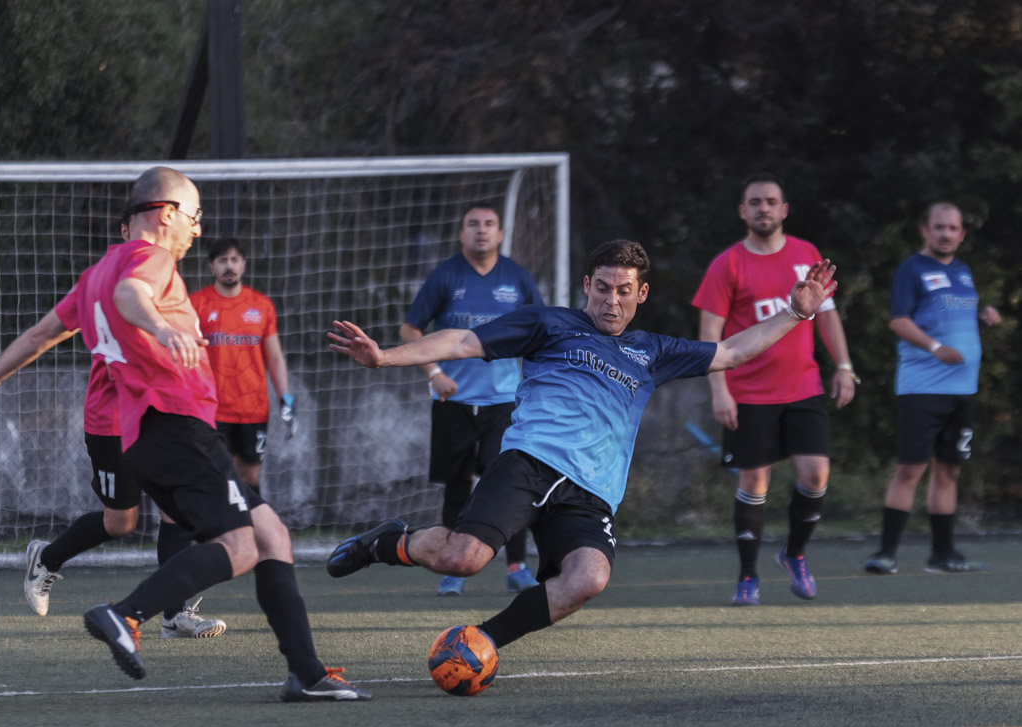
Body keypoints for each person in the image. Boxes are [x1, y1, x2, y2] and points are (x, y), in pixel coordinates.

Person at [326, 240, 835, 663]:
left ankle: (483, 642)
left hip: (591, 494)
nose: (612, 300)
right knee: (462, 560)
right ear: (587, 285)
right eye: (603, 288)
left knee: (589, 577)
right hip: (529, 465)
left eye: (624, 291)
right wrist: (384, 357)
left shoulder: (652, 351)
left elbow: (732, 352)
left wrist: (795, 312)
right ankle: (386, 543)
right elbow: (462, 341)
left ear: (641, 294)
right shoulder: (548, 323)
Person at [70, 166, 369, 700]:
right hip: (177, 425)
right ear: (167, 214)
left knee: (271, 534)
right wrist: (162, 328)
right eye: (194, 216)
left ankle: (306, 674)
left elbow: (46, 330)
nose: (199, 228)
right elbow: (130, 295)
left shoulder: (108, 273)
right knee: (242, 544)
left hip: (168, 431)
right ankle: (127, 613)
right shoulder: (151, 261)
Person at [0, 220, 227, 639]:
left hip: (157, 416)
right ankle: (47, 558)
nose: (195, 227)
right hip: (112, 420)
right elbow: (44, 333)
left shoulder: (146, 272)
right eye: (191, 216)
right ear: (146, 223)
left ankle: (174, 615)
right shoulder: (125, 272)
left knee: (177, 512)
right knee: (121, 523)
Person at [692, 173, 857, 607]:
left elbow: (826, 315)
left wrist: (843, 366)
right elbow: (710, 334)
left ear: (784, 209)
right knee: (755, 479)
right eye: (755, 202)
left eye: (771, 201)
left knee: (816, 474)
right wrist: (719, 389)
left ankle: (794, 554)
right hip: (748, 392)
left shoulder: (806, 255)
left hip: (803, 386)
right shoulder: (727, 264)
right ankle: (748, 576)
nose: (763, 208)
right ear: (742, 211)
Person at [400, 203, 544, 596]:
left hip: (504, 404)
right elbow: (410, 329)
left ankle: (517, 566)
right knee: (457, 487)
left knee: (509, 484)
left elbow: (541, 328)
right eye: (473, 224)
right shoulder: (446, 275)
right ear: (461, 233)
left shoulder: (516, 278)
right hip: (455, 402)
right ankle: (452, 569)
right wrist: (435, 373)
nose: (482, 230)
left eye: (489, 224)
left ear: (500, 234)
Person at [863, 202, 1001, 575]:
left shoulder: (963, 272)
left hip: (963, 390)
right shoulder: (911, 270)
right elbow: (898, 321)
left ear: (962, 234)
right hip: (922, 389)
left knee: (949, 471)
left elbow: (951, 319)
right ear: (925, 230)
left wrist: (982, 318)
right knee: (911, 468)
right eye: (939, 227)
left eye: (953, 228)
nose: (946, 234)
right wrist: (936, 348)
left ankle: (943, 555)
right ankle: (886, 553)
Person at [190, 237, 294, 494]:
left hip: (252, 409)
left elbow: (275, 357)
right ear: (211, 266)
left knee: (249, 475)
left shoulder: (261, 305)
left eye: (234, 260)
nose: (229, 266)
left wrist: (286, 399)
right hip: (212, 409)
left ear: (244, 265)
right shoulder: (196, 304)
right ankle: (219, 523)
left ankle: (250, 521)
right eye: (222, 260)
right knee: (216, 474)